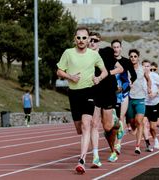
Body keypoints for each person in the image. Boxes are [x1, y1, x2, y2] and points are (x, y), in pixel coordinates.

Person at [56, 27, 108, 174]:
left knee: (87, 125)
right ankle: (83, 155)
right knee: (79, 128)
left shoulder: (93, 55)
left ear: (88, 39)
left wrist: (99, 78)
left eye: (84, 38)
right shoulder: (68, 53)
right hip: (73, 93)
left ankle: (82, 160)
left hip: (89, 91)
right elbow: (59, 70)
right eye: (78, 38)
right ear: (75, 39)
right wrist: (70, 77)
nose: (81, 41)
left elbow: (104, 71)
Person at [89, 32, 123, 167]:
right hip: (93, 92)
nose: (92, 42)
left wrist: (107, 73)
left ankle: (117, 123)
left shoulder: (107, 52)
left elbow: (120, 68)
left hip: (108, 92)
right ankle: (96, 157)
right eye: (90, 40)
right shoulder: (85, 55)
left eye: (95, 40)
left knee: (108, 127)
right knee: (94, 124)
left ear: (99, 41)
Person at [111, 39, 137, 154]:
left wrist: (130, 82)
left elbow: (134, 75)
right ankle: (115, 138)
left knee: (121, 117)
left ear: (121, 48)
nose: (116, 49)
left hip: (124, 92)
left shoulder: (126, 61)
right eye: (114, 47)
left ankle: (118, 144)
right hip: (112, 93)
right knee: (113, 121)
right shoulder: (108, 60)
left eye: (117, 47)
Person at [126, 49, 151, 154]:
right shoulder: (126, 69)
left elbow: (148, 79)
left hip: (140, 98)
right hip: (130, 98)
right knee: (132, 123)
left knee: (139, 121)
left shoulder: (142, 69)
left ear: (138, 57)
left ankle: (137, 146)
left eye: (135, 56)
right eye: (131, 56)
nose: (133, 58)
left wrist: (149, 88)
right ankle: (134, 129)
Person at [142, 60, 159, 151]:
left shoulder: (154, 76)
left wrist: (156, 93)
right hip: (144, 103)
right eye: (144, 66)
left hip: (155, 103)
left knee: (152, 127)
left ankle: (155, 139)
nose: (146, 68)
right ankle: (148, 144)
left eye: (148, 66)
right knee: (143, 123)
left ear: (150, 67)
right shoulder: (139, 76)